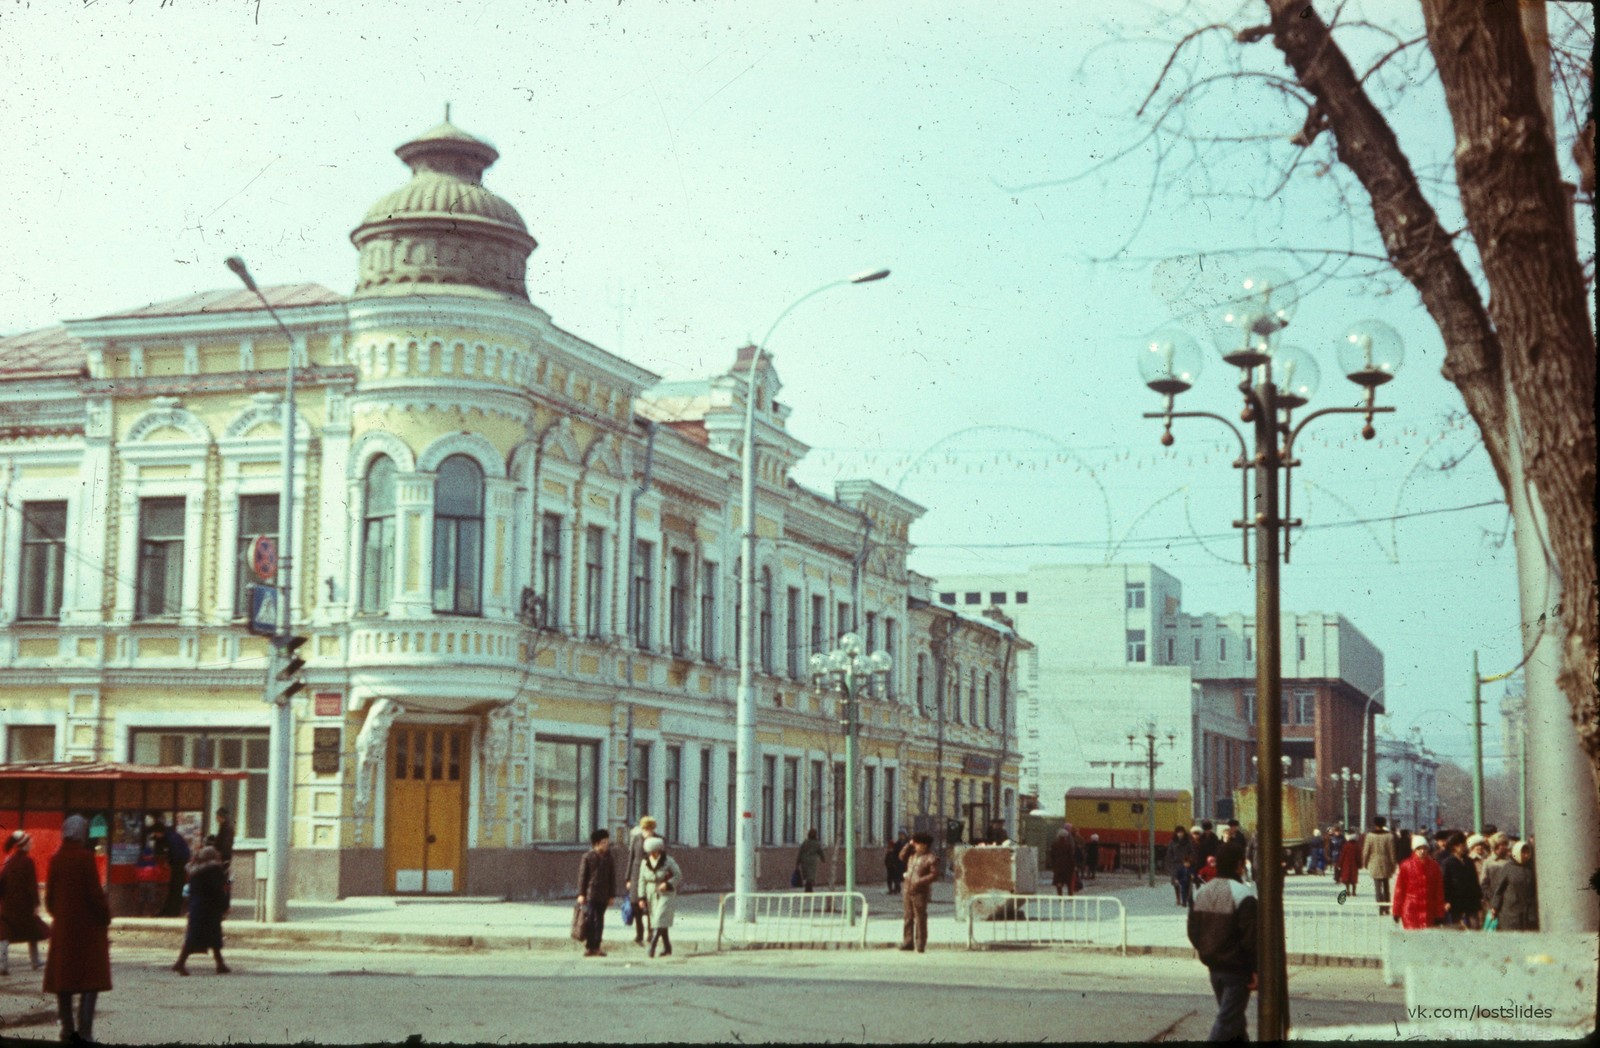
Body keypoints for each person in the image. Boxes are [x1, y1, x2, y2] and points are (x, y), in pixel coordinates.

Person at [43, 815, 111, 1044]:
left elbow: (49, 901)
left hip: (64, 931)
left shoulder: (55, 860)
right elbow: (95, 895)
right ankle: (85, 1031)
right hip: (88, 933)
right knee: (90, 981)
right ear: (82, 834)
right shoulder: (86, 858)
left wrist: (62, 916)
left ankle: (67, 1030)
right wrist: (105, 917)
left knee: (64, 982)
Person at [1187, 841, 1258, 1043]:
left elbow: (1193, 931)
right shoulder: (1243, 895)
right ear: (1239, 865)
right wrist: (1254, 969)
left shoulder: (1202, 892)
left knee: (1234, 1022)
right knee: (1227, 1021)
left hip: (1213, 966)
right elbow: (1251, 938)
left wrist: (1207, 948)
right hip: (1237, 970)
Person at [172, 846, 230, 975]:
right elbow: (217, 890)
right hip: (210, 908)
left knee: (196, 936)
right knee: (212, 936)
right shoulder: (214, 870)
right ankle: (180, 963)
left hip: (196, 907)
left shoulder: (194, 870)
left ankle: (220, 964)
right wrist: (224, 906)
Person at [1, 831, 49, 975]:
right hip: (24, 907)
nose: (32, 844)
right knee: (33, 931)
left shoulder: (8, 860)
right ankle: (36, 961)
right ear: (24, 845)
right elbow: (31, 886)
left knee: (4, 934)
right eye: (29, 842)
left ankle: (2, 964)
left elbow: (1, 882)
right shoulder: (28, 862)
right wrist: (36, 904)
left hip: (9, 906)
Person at [636, 837, 680, 958]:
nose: (652, 854)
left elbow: (678, 875)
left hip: (666, 894)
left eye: (654, 851)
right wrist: (641, 897)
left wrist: (668, 884)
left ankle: (652, 947)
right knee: (660, 921)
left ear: (659, 850)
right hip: (651, 894)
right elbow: (641, 880)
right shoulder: (645, 862)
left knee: (659, 919)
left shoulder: (668, 861)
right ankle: (667, 947)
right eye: (650, 852)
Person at [576, 828, 616, 958]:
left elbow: (612, 878)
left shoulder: (609, 858)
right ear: (597, 843)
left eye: (607, 842)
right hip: (591, 894)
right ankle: (589, 947)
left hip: (603, 895)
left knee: (600, 921)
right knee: (591, 920)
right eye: (603, 842)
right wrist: (581, 894)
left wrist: (612, 895)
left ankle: (597, 946)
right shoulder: (588, 857)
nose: (606, 845)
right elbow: (582, 876)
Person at [1390, 835, 1445, 930]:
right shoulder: (1406, 866)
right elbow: (1399, 890)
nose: (1422, 851)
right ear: (1414, 850)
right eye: (1419, 848)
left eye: (1424, 848)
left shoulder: (1434, 866)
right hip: (1411, 911)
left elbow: (1439, 891)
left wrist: (1439, 913)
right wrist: (1396, 911)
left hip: (1429, 911)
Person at [898, 832, 938, 953]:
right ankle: (908, 942)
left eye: (917, 843)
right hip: (907, 889)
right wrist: (908, 845)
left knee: (920, 918)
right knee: (908, 917)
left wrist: (919, 881)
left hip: (920, 891)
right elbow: (901, 856)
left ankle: (920, 943)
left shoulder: (931, 858)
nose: (915, 845)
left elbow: (934, 874)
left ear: (924, 845)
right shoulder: (912, 855)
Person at [623, 815, 657, 948]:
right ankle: (639, 933)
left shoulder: (657, 840)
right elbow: (631, 858)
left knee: (649, 906)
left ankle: (651, 932)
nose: (647, 831)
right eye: (645, 828)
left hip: (650, 876)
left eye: (650, 828)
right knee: (635, 905)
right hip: (636, 875)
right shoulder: (636, 839)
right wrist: (628, 878)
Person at [1488, 841, 1538, 930]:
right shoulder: (1508, 868)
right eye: (1523, 852)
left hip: (1527, 915)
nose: (1526, 855)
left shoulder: (1531, 869)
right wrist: (1495, 907)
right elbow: (1499, 889)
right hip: (1510, 914)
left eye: (1527, 852)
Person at [1438, 831, 1482, 929]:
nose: (1464, 847)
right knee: (1458, 928)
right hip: (1456, 903)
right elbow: (1445, 883)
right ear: (1454, 847)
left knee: (1475, 926)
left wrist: (1479, 897)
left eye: (1464, 844)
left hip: (1471, 902)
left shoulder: (1469, 862)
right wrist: (1446, 901)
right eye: (1461, 845)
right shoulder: (1448, 863)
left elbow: (1475, 881)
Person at [154, 819, 190, 918]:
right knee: (175, 888)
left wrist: (169, 862)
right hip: (179, 863)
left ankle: (173, 911)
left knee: (176, 888)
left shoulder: (171, 838)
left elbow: (175, 853)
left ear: (159, 832)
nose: (156, 836)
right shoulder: (171, 835)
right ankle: (170, 910)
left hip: (179, 864)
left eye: (156, 833)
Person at [1362, 818, 1398, 906]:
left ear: (1375, 824)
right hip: (1386, 862)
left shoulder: (1370, 836)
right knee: (1386, 885)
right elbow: (1392, 852)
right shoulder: (1389, 836)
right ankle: (1386, 905)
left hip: (1374, 862)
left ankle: (1380, 906)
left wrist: (1365, 862)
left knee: (1377, 886)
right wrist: (1393, 864)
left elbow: (1366, 851)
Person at [1167, 826, 1195, 907]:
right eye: (1178, 832)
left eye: (1181, 832)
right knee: (1176, 882)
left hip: (1186, 864)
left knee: (1187, 882)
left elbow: (1191, 852)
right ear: (1176, 833)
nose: (1180, 834)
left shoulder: (1188, 842)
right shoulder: (1172, 842)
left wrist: (1189, 860)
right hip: (1175, 864)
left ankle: (1188, 899)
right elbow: (1169, 853)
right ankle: (1178, 898)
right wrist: (1170, 864)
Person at [1050, 822, 1078, 897]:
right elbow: (1071, 856)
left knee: (1059, 881)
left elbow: (1052, 856)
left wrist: (1053, 865)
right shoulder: (1068, 846)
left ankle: (1060, 895)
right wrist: (1074, 865)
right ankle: (1070, 894)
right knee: (1068, 881)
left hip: (1058, 865)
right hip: (1067, 866)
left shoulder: (1054, 845)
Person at [1336, 828, 1363, 896]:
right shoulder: (1357, 845)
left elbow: (1342, 855)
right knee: (1354, 878)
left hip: (1346, 864)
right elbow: (1359, 856)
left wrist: (1340, 864)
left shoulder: (1345, 845)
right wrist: (1360, 864)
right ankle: (1354, 891)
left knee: (1347, 878)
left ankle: (1347, 891)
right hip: (1354, 864)